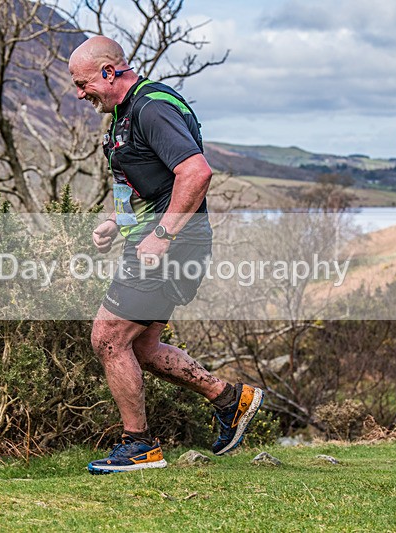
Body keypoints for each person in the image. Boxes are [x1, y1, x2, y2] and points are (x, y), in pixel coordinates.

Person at [68, 36, 264, 474]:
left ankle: (139, 446)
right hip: (158, 242)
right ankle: (231, 399)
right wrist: (118, 223)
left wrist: (162, 233)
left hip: (171, 246)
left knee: (108, 337)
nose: (80, 94)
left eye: (83, 84)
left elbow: (196, 172)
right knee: (143, 346)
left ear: (107, 72)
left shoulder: (151, 107)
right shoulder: (123, 116)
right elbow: (146, 187)